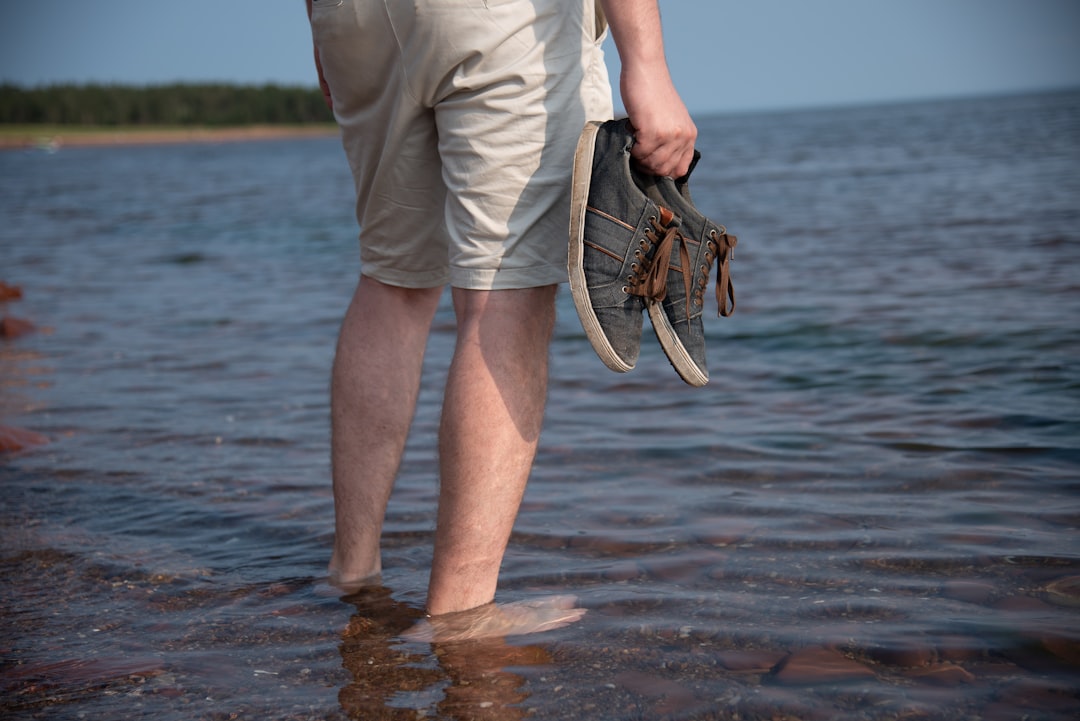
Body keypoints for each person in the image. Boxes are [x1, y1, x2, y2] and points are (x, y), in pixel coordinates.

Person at [306, 0, 696, 637]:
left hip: (352, 19)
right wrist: (646, 63)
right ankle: (460, 613)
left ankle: (353, 570)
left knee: (393, 281)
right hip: (496, 17)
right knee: (501, 294)